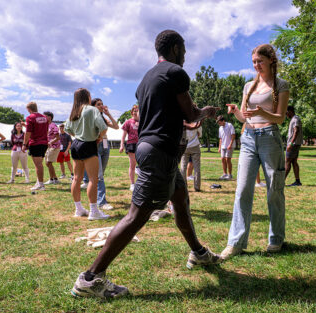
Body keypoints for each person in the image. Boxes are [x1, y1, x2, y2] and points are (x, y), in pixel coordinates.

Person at [71, 30, 220, 299]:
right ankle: (90, 278)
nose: (185, 55)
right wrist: (206, 112)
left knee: (181, 201)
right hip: (161, 152)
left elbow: (168, 115)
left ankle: (198, 253)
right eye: (183, 49)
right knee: (136, 215)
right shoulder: (175, 72)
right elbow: (190, 113)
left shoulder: (145, 79)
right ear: (175, 48)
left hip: (154, 150)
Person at [221, 43, 290, 260]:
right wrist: (235, 112)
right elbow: (245, 117)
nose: (256, 65)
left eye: (260, 61)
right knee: (242, 190)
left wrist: (263, 112)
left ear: (271, 60)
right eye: (253, 62)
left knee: (274, 191)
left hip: (270, 138)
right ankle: (236, 243)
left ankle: (276, 239)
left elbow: (280, 118)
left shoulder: (281, 85)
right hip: (249, 139)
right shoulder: (248, 86)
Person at [64, 88, 109, 221]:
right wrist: (99, 138)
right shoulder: (92, 109)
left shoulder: (74, 111)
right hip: (88, 144)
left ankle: (78, 209)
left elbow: (67, 129)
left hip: (76, 144)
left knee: (76, 178)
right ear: (87, 97)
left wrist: (77, 135)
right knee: (93, 179)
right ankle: (94, 211)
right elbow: (103, 128)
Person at [87, 97, 119, 210]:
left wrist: (108, 114)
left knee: (101, 173)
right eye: (98, 104)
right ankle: (102, 202)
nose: (101, 106)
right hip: (96, 146)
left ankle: (94, 194)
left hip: (105, 146)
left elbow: (116, 127)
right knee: (99, 176)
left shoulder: (104, 118)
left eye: (102, 104)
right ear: (93, 107)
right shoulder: (90, 118)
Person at [23, 101, 49, 191]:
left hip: (35, 143)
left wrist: (24, 144)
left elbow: (28, 132)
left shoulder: (30, 117)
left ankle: (41, 185)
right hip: (44, 143)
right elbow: (46, 131)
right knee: (39, 164)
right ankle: (38, 182)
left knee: (38, 165)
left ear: (29, 109)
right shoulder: (44, 117)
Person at [119, 105, 139, 191]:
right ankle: (132, 184)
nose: (135, 112)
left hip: (141, 144)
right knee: (132, 165)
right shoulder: (128, 122)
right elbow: (123, 135)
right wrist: (121, 145)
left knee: (142, 164)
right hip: (131, 144)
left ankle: (141, 182)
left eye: (137, 111)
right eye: (134, 111)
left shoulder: (143, 121)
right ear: (132, 113)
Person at [180, 122, 202, 191]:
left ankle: (184, 186)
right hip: (195, 145)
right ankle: (197, 187)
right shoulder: (196, 122)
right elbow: (199, 134)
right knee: (197, 168)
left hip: (185, 146)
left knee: (183, 168)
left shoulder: (182, 123)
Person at [285, 106, 303, 186]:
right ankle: (297, 181)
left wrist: (291, 144)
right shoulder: (294, 119)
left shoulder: (295, 119)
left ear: (290, 111)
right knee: (294, 162)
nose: (286, 114)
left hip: (293, 144)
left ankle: (281, 182)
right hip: (295, 144)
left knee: (287, 161)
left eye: (286, 112)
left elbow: (296, 131)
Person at [43, 111, 61, 185]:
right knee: (47, 163)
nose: (43, 118)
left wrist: (50, 142)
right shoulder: (46, 125)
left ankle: (51, 179)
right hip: (49, 147)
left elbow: (58, 137)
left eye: (45, 116)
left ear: (49, 117)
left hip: (54, 146)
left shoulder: (53, 125)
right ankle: (55, 179)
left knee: (48, 162)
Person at [216, 115, 235, 180]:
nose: (219, 124)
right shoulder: (220, 128)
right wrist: (219, 147)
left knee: (228, 159)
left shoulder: (230, 125)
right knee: (223, 159)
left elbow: (233, 135)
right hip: (223, 146)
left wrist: (230, 144)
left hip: (229, 146)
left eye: (219, 122)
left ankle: (230, 175)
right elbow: (220, 138)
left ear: (223, 121)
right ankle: (225, 174)